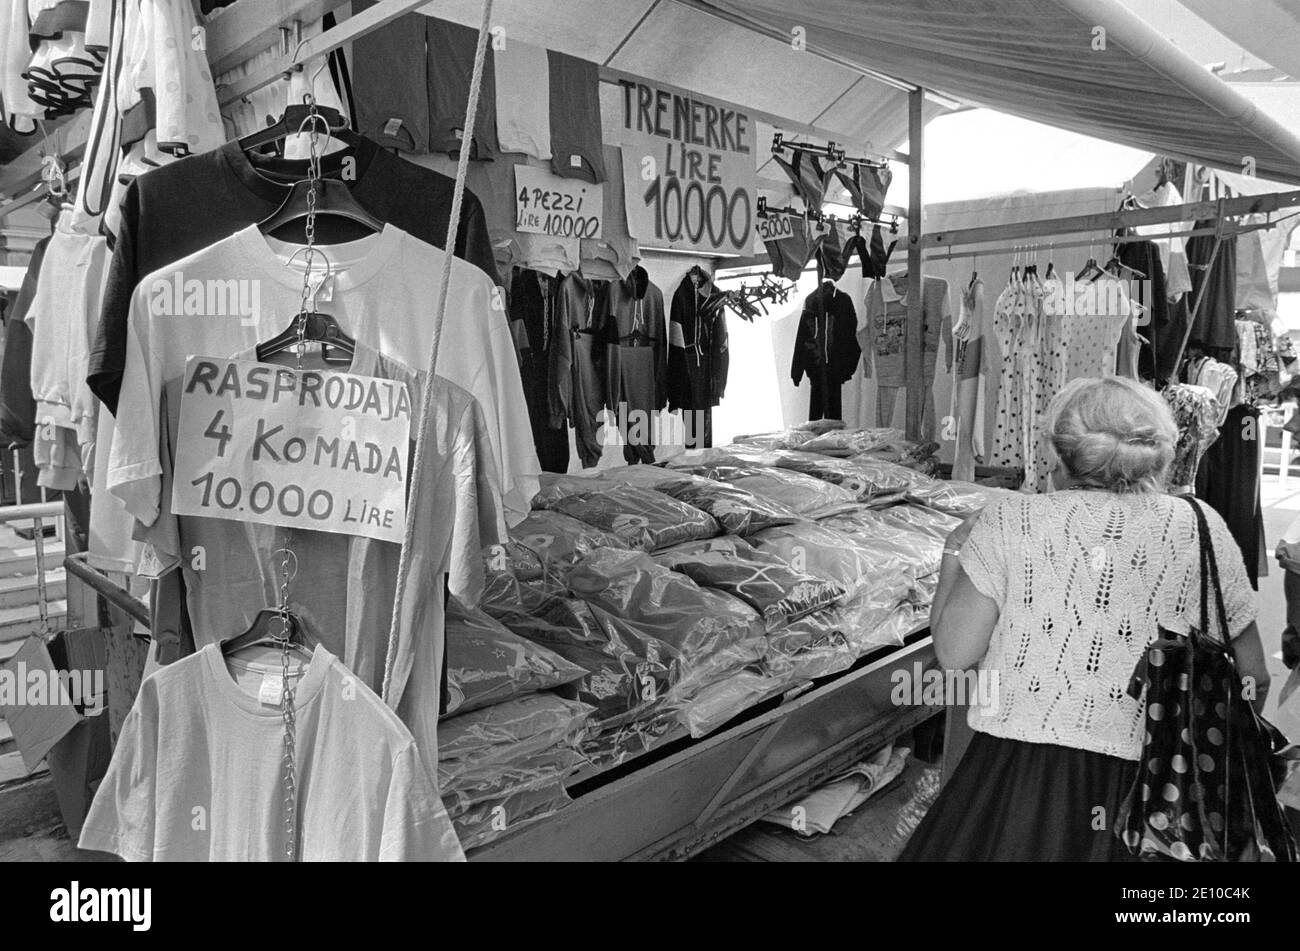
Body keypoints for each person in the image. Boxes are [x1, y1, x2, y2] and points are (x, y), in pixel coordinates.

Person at [900, 376, 1269, 861]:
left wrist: (954, 550)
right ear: (1156, 450)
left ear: (1061, 450)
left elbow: (954, 654)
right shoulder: (1202, 527)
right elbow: (1254, 677)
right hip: (1163, 795)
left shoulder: (1012, 520)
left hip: (1018, 785)